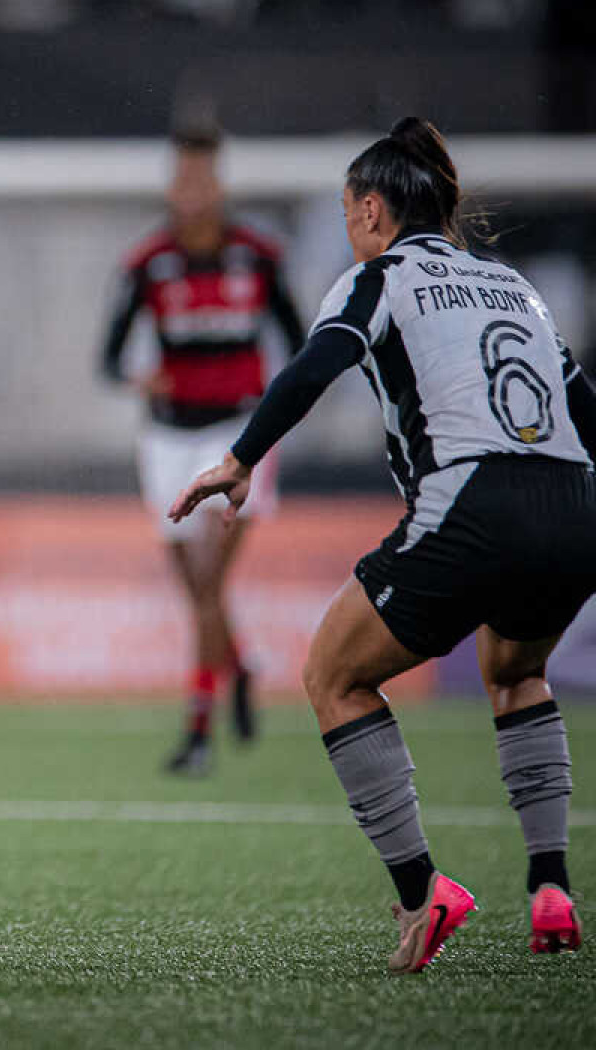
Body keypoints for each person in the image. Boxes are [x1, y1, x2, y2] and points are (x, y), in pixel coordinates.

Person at [171, 118, 593, 973]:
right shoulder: (513, 285)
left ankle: (421, 891)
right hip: (576, 504)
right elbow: (584, 405)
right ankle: (551, 886)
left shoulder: (381, 277)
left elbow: (315, 364)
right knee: (516, 671)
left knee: (333, 673)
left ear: (371, 209)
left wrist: (241, 457)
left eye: (346, 210)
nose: (348, 226)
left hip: (476, 499)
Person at [102, 126, 307, 775]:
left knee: (210, 579)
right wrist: (139, 378)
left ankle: (197, 731)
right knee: (197, 587)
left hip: (236, 437)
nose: (192, 192)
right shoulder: (148, 263)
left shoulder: (258, 257)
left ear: (219, 185)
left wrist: (273, 403)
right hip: (167, 436)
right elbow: (108, 357)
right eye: (183, 180)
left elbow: (302, 341)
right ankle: (239, 667)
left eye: (203, 179)